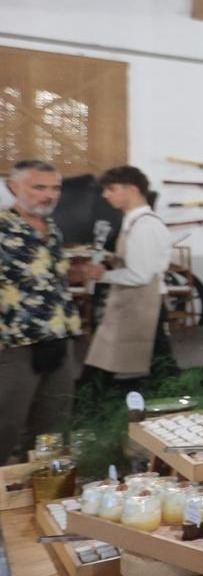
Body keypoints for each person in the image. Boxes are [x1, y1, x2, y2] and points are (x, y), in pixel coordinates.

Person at [0, 160, 83, 462]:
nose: (49, 195)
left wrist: (79, 272)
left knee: (54, 427)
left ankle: (41, 493)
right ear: (13, 187)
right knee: (6, 424)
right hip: (14, 344)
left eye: (55, 188)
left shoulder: (53, 230)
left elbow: (47, 278)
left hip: (58, 338)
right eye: (39, 187)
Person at [81, 166, 172, 380]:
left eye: (111, 189)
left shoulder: (145, 225)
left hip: (143, 301)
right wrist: (115, 259)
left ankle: (90, 398)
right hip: (136, 300)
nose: (105, 195)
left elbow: (140, 275)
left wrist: (102, 275)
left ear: (131, 189)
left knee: (158, 363)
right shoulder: (133, 221)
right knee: (155, 361)